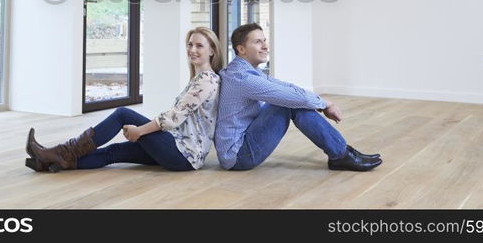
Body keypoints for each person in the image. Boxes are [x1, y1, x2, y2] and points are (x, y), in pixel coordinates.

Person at [26, 26, 224, 173]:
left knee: (123, 114)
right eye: (190, 44)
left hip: (183, 154)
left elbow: (172, 117)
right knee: (114, 152)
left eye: (199, 45)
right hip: (179, 150)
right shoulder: (199, 79)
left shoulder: (207, 80)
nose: (192, 49)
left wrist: (140, 130)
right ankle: (52, 161)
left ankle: (61, 152)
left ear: (212, 50)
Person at [214, 23, 382, 172]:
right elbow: (291, 97)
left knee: (291, 99)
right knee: (289, 103)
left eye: (264, 40)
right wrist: (325, 103)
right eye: (258, 42)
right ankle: (341, 154)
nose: (265, 46)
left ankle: (341, 153)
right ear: (241, 49)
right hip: (239, 156)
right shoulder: (242, 78)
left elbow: (286, 87)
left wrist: (321, 102)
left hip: (242, 145)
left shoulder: (247, 71)